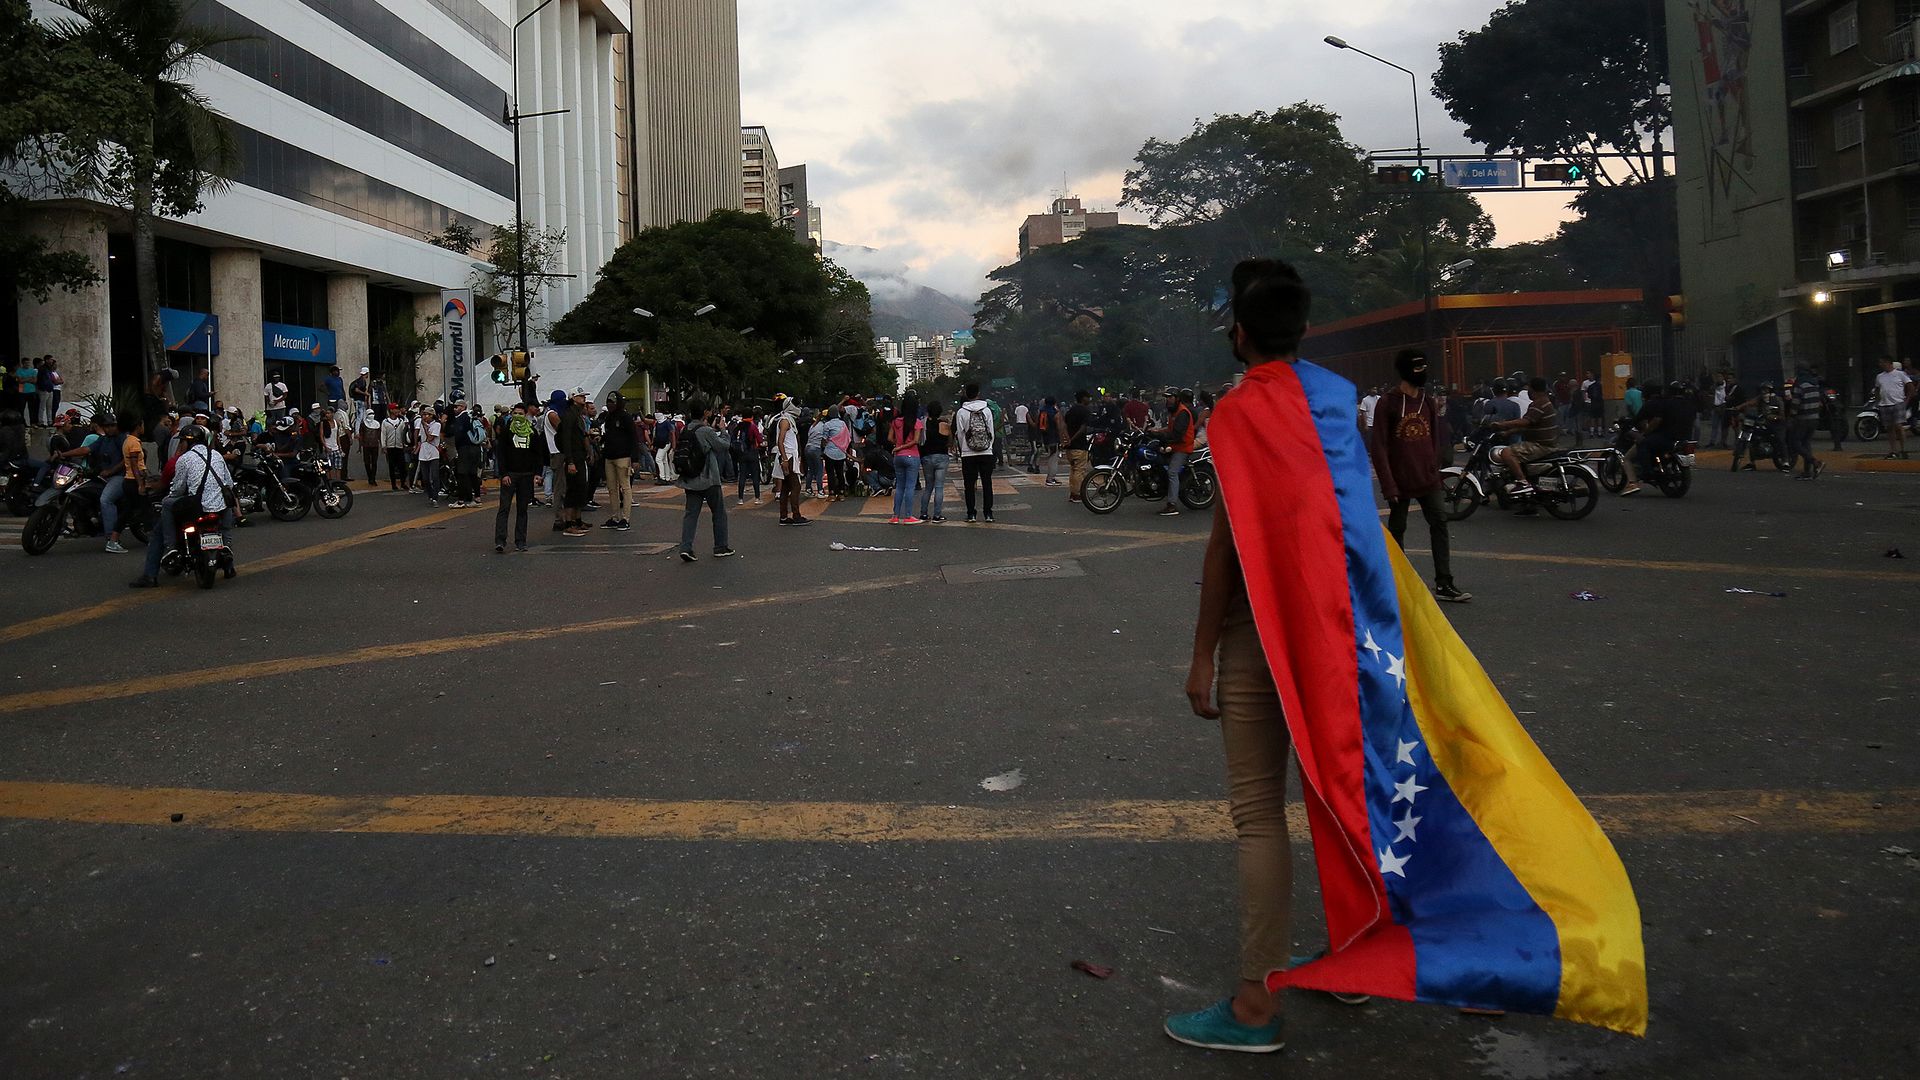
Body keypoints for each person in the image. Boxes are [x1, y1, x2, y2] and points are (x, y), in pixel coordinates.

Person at [1370, 350, 1470, 603]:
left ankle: (1444, 582)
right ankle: (1397, 585)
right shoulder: (1388, 403)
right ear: (1405, 370)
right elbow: (1379, 447)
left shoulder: (1427, 401)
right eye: (1417, 368)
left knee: (1440, 525)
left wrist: (1435, 469)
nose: (1422, 372)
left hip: (1428, 480)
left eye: (1424, 366)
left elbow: (1434, 439)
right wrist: (1388, 485)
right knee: (1397, 531)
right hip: (1400, 482)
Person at [129, 424, 233, 588]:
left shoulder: (184, 459)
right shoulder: (217, 455)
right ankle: (228, 562)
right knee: (225, 526)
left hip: (196, 505)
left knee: (166, 505)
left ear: (187, 442)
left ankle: (168, 553)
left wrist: (174, 494)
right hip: (220, 506)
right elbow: (228, 483)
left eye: (182, 441)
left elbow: (177, 488)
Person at [673, 395, 733, 561]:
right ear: (705, 413)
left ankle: (686, 547)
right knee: (719, 513)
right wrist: (723, 430)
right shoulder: (705, 431)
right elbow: (723, 446)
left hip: (690, 478)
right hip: (709, 478)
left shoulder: (686, 429)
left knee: (691, 514)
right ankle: (720, 546)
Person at [1490, 377, 1561, 495]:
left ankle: (1523, 482)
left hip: (1540, 445)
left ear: (1533, 390)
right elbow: (1529, 425)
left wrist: (1502, 425)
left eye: (1529, 388)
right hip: (1545, 443)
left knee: (1506, 453)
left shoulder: (1539, 403)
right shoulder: (1544, 402)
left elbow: (1525, 422)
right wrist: (1508, 432)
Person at [493, 401, 543, 553]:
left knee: (522, 509)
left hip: (526, 475)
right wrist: (504, 474)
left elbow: (538, 454)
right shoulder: (507, 431)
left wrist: (537, 473)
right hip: (511, 474)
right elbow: (501, 454)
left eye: (521, 414)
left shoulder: (532, 432)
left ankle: (520, 541)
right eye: (515, 413)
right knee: (504, 508)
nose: (517, 416)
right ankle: (500, 540)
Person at [954, 384, 996, 523]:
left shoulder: (961, 411)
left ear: (966, 393)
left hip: (968, 453)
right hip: (986, 451)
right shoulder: (987, 410)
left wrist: (963, 448)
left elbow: (960, 434)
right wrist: (988, 446)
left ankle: (971, 513)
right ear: (978, 393)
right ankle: (988, 513)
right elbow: (991, 431)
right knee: (987, 483)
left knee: (969, 485)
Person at [1151, 387, 1197, 516]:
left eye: (1170, 397)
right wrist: (1156, 431)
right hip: (1174, 445)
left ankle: (1172, 505)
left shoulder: (1182, 413)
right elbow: (1170, 429)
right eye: (1166, 398)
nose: (1168, 400)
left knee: (1172, 472)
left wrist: (1161, 437)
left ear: (1177, 399)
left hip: (1182, 447)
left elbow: (1177, 434)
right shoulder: (1174, 412)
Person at [596, 391, 637, 530]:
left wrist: (635, 458)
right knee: (612, 488)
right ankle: (615, 516)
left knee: (625, 487)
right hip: (610, 456)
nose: (610, 404)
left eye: (612, 402)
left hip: (623, 456)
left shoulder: (625, 417)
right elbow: (609, 435)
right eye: (608, 402)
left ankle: (625, 518)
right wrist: (601, 439)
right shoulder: (609, 417)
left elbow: (633, 437)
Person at [769, 395, 808, 525]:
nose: (798, 408)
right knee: (796, 486)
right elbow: (780, 441)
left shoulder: (789, 419)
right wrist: (785, 459)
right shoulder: (785, 420)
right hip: (788, 457)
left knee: (785, 488)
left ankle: (784, 517)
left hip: (789, 456)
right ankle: (796, 516)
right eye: (796, 405)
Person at [557, 388, 590, 536]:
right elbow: (566, 439)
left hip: (579, 455)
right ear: (573, 398)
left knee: (581, 487)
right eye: (581, 396)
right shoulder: (569, 415)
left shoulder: (577, 414)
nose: (583, 398)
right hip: (573, 457)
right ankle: (569, 523)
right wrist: (570, 461)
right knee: (573, 489)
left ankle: (577, 519)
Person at [889, 390, 924, 524]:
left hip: (898, 458)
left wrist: (898, 445)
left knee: (900, 487)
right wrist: (903, 446)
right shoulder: (917, 422)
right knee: (910, 487)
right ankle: (908, 516)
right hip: (912, 456)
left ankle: (895, 516)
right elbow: (916, 441)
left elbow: (889, 438)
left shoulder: (896, 421)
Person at [1786, 367, 1824, 480]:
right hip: (1814, 418)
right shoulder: (1815, 384)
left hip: (1803, 419)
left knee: (1795, 443)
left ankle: (1815, 462)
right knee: (1806, 443)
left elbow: (1795, 404)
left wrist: (1791, 416)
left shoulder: (1800, 385)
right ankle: (1807, 472)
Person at [1874, 356, 1914, 459]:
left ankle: (1903, 449)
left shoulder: (1900, 374)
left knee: (1898, 426)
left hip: (1898, 403)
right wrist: (1878, 401)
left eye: (1882, 362)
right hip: (1885, 404)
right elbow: (1877, 389)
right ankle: (1893, 450)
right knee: (1889, 428)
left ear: (1888, 363)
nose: (1881, 365)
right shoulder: (1880, 376)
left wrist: (1906, 400)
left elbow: (1910, 386)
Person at [919, 401, 952, 523]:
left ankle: (923, 513)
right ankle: (937, 515)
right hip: (942, 457)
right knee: (939, 487)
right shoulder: (944, 425)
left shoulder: (924, 424)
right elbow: (950, 442)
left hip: (927, 457)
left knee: (928, 487)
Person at [1061, 390, 1093, 502]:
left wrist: (1066, 439)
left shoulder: (1070, 410)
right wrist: (1072, 439)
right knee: (1079, 470)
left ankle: (1072, 492)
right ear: (1083, 398)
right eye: (1088, 397)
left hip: (1070, 448)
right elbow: (1083, 427)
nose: (1089, 399)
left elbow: (1064, 425)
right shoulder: (1085, 411)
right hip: (1079, 445)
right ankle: (1076, 494)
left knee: (1073, 470)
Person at [731, 406, 765, 504]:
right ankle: (757, 498)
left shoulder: (738, 426)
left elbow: (733, 437)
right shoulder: (752, 425)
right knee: (755, 475)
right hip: (752, 452)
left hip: (741, 453)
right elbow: (759, 439)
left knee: (742, 476)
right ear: (751, 415)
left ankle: (740, 499)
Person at [416, 404, 444, 505]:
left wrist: (425, 426)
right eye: (423, 414)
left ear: (432, 415)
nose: (424, 417)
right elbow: (421, 438)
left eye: (427, 414)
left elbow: (430, 438)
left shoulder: (436, 425)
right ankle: (430, 495)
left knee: (434, 475)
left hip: (433, 452)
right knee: (425, 477)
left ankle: (435, 497)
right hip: (423, 452)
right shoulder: (421, 424)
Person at [379, 405, 409, 489]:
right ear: (391, 410)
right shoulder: (385, 422)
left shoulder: (401, 421)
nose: (397, 410)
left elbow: (404, 433)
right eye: (395, 409)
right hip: (390, 446)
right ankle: (393, 484)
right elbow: (383, 434)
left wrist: (405, 444)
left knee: (402, 466)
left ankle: (403, 483)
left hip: (399, 446)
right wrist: (384, 446)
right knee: (391, 466)